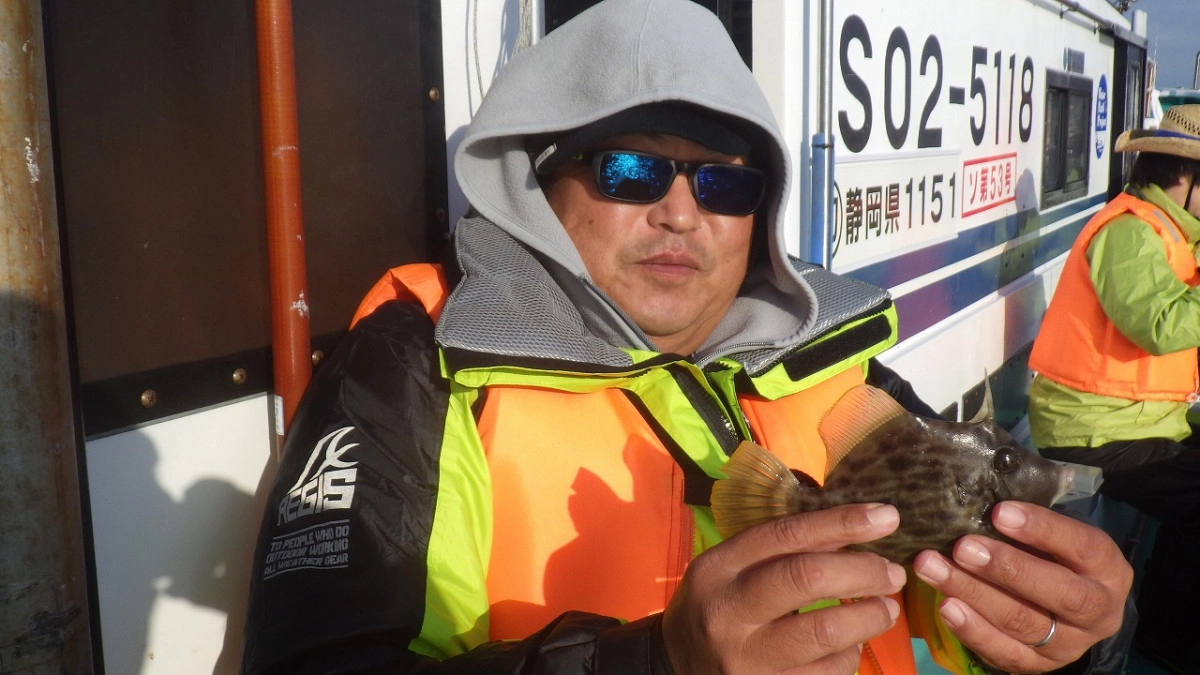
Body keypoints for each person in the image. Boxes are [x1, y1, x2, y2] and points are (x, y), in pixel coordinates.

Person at [242, 0, 1133, 673]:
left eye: (724, 184)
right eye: (632, 169)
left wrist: (1065, 634)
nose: (680, 212)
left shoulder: (828, 360)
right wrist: (652, 662)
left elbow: (957, 596)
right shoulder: (417, 365)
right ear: (539, 186)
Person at [1027, 103, 1200, 674]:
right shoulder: (1130, 231)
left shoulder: (1176, 232)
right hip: (1094, 432)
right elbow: (1159, 324)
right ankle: (1166, 639)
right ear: (1184, 177)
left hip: (1143, 420)